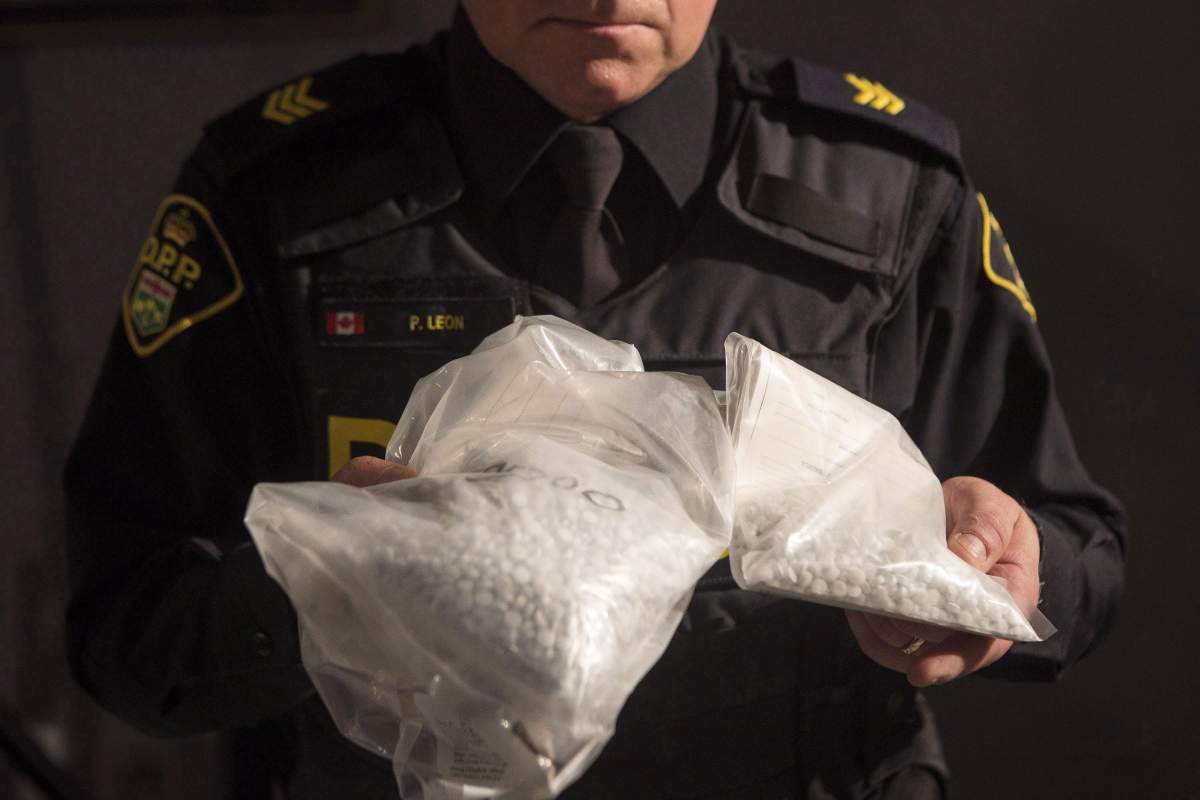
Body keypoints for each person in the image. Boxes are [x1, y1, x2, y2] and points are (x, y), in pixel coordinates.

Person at [64, 1, 1126, 798]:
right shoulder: (277, 190)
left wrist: (999, 573)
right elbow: (126, 625)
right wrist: (331, 588)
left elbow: (1078, 556)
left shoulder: (887, 191)